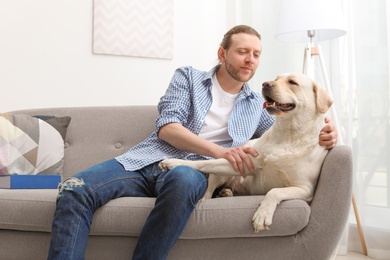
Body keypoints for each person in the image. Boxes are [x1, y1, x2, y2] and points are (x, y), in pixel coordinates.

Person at [47, 25, 337, 260]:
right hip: (145, 160)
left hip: (191, 173)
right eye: (243, 52)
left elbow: (288, 127)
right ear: (222, 53)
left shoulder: (256, 104)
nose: (251, 60)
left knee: (185, 179)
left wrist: (328, 131)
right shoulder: (188, 78)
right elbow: (168, 128)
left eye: (257, 54)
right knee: (75, 188)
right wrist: (220, 151)